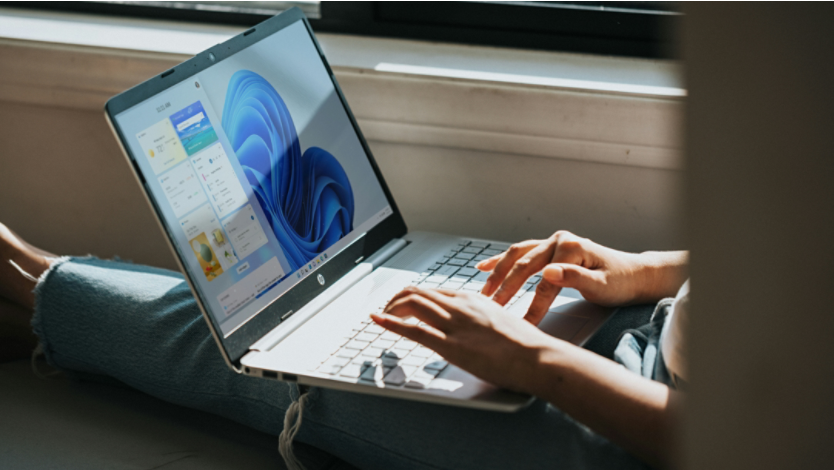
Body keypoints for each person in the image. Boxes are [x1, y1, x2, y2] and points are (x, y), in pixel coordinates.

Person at [0, 222, 688, 470]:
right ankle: (39, 290)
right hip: (646, 329)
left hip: (636, 433)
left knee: (266, 351)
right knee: (312, 311)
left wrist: (534, 360)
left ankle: (26, 281)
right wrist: (650, 270)